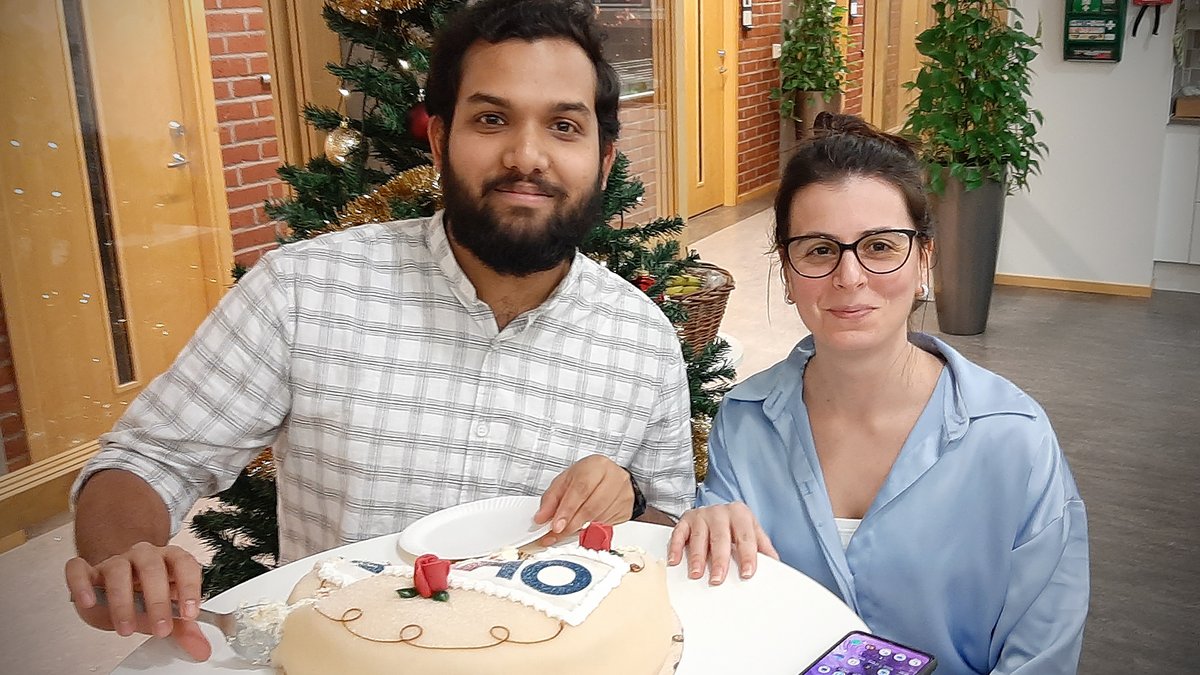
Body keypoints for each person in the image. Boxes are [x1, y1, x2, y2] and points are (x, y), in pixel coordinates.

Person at [65, 0, 695, 661]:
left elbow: (666, 533)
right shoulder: (304, 290)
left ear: (603, 160)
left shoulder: (642, 340)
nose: (526, 155)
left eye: (564, 125)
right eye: (491, 118)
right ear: (438, 139)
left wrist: (632, 493)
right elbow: (146, 460)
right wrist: (127, 554)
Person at [666, 113, 1089, 674]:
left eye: (881, 246)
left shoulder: (1012, 437)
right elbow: (729, 610)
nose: (849, 276)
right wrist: (702, 530)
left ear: (924, 260)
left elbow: (1043, 655)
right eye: (819, 250)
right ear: (787, 273)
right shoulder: (744, 422)